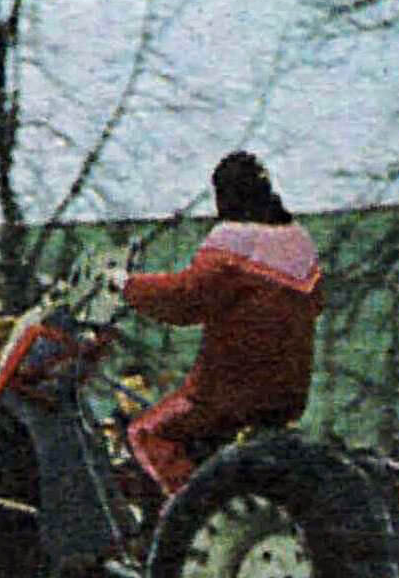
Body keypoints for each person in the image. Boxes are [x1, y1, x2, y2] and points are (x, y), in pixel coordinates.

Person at [103, 152, 323, 497]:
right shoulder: (300, 243)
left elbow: (186, 298)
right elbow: (316, 302)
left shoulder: (232, 240)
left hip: (226, 392)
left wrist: (126, 284)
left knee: (147, 433)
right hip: (289, 393)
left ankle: (183, 511)